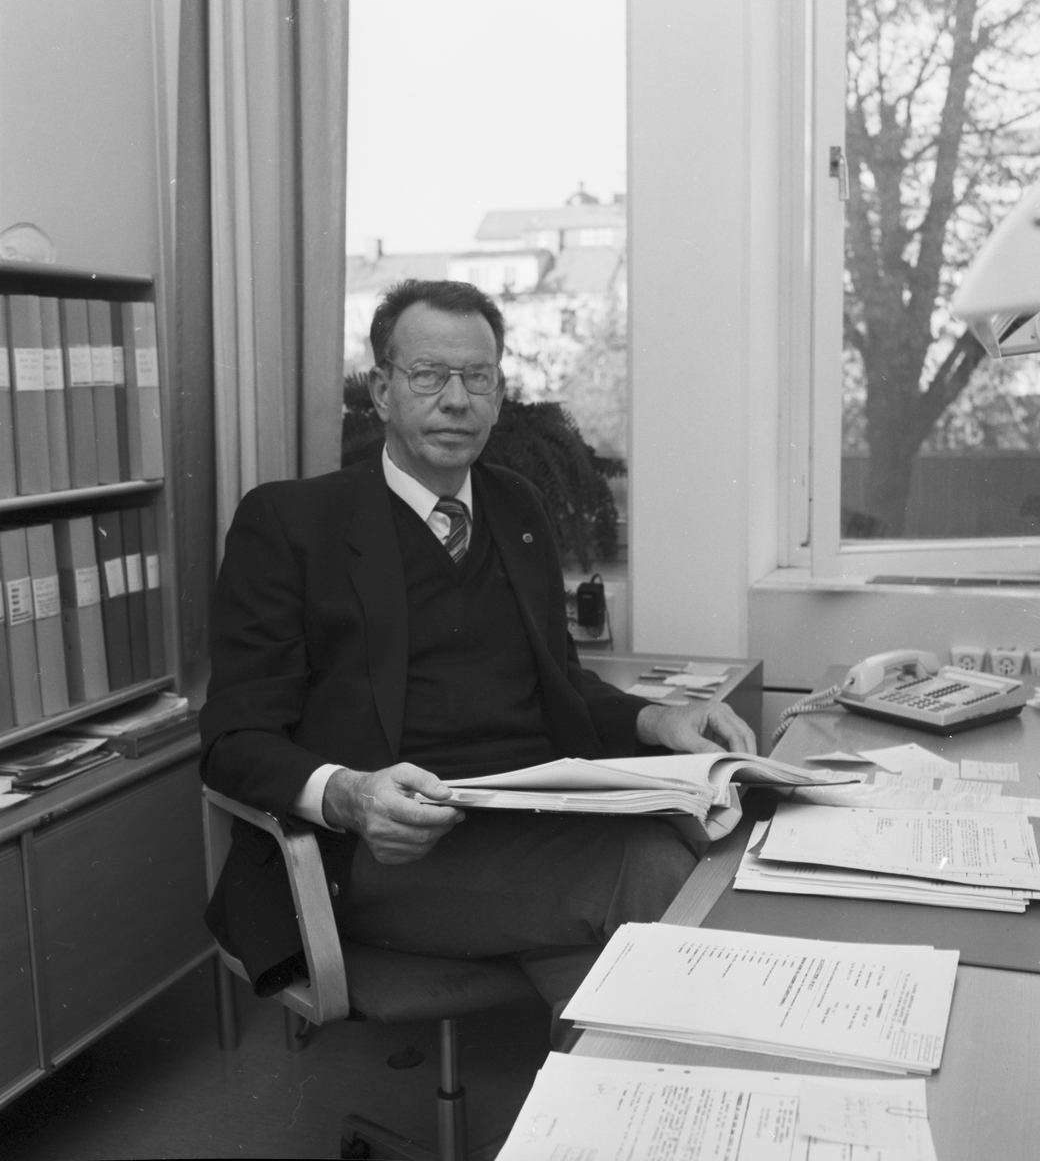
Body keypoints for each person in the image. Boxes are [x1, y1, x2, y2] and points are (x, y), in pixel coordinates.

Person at [200, 279, 756, 1011]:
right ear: (382, 391)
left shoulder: (516, 505)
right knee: (649, 870)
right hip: (387, 847)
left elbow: (560, 681)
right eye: (428, 375)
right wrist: (350, 796)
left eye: (478, 377)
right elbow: (234, 739)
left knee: (704, 853)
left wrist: (658, 719)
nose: (456, 400)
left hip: (536, 823)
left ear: (499, 393)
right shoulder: (292, 524)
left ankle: (610, 1076)